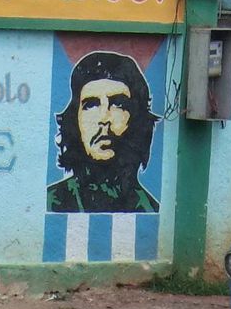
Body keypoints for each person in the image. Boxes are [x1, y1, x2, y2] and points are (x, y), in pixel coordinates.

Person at [46, 51, 160, 213]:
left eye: (118, 104)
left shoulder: (150, 211)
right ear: (74, 119)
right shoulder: (51, 203)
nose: (104, 118)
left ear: (138, 119)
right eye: (91, 105)